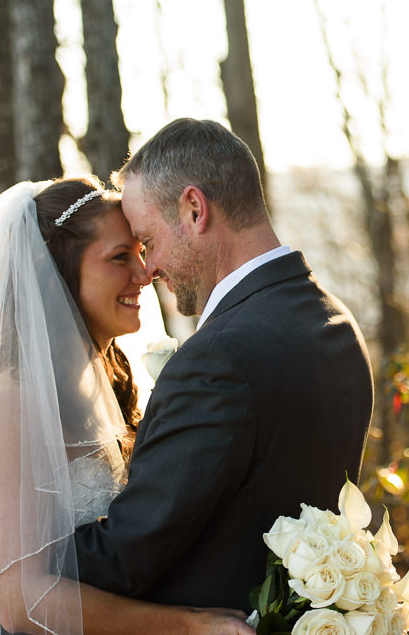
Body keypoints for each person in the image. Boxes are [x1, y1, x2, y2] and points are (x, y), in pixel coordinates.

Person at [0, 177, 252, 635]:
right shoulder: (12, 407)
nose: (144, 272)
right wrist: (188, 625)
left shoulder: (108, 385)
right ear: (54, 276)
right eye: (119, 257)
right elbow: (17, 601)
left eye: (140, 251)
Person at [73, 118, 375, 610]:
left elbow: (123, 560)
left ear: (194, 209)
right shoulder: (336, 322)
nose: (147, 271)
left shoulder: (217, 361)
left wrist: (15, 571)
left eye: (149, 241)